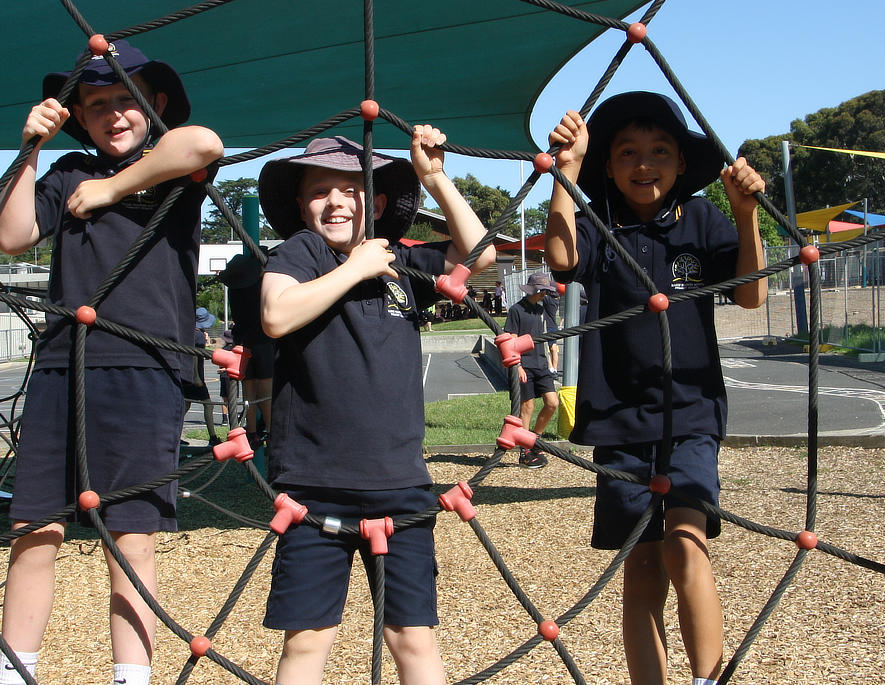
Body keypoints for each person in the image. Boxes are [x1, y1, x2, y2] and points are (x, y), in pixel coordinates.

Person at [0, 39, 223, 685]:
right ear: (78, 117)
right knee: (35, 528)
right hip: (66, 364)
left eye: (128, 100)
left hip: (148, 366)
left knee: (130, 537)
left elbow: (202, 143)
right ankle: (17, 672)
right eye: (96, 105)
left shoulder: (169, 166)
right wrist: (32, 148)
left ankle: (131, 676)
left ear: (158, 105)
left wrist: (112, 189)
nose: (114, 114)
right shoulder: (66, 171)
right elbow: (10, 236)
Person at [544, 91, 767, 685]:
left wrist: (745, 213)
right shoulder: (598, 219)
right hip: (618, 414)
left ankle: (706, 677)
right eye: (628, 153)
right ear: (610, 165)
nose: (645, 164)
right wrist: (565, 175)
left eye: (660, 151)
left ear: (680, 163)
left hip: (689, 412)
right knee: (640, 565)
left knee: (684, 541)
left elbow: (751, 293)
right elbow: (563, 259)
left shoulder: (700, 217)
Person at [256, 129, 495, 685]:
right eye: (320, 190)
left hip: (399, 480)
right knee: (307, 640)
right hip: (313, 484)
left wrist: (435, 177)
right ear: (300, 203)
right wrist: (354, 269)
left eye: (351, 188)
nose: (336, 201)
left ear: (379, 203)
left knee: (411, 638)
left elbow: (478, 256)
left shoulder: (403, 264)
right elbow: (275, 314)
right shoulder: (303, 252)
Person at [504, 272, 563, 469]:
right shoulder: (516, 310)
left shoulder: (542, 309)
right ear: (535, 290)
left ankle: (534, 439)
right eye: (543, 291)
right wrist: (517, 366)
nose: (545, 295)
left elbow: (547, 329)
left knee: (552, 402)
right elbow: (511, 341)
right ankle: (525, 451)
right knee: (527, 407)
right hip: (524, 366)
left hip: (541, 364)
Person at [219, 253, 275, 447]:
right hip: (263, 341)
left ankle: (252, 432)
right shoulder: (260, 287)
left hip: (242, 343)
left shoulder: (235, 291)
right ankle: (270, 431)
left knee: (248, 391)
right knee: (266, 392)